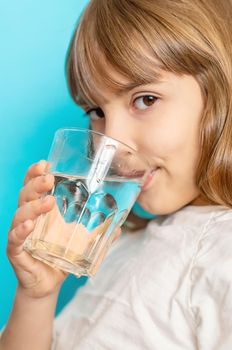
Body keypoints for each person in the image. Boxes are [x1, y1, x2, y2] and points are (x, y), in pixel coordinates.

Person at [1, 0, 232, 349]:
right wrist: (37, 296)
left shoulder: (222, 252)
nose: (112, 142)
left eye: (145, 99)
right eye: (95, 110)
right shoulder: (125, 245)